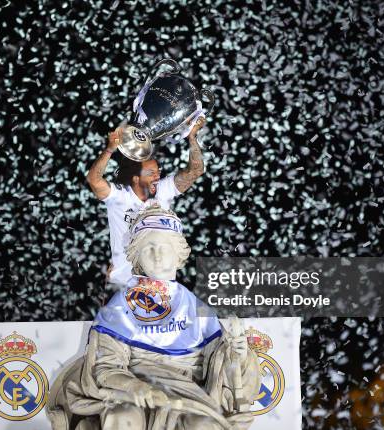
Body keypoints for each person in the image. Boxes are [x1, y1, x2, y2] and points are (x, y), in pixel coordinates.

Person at [46, 205, 261, 430]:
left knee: (201, 426)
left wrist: (238, 355)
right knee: (124, 418)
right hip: (133, 393)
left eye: (164, 248)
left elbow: (222, 367)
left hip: (187, 398)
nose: (157, 256)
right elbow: (104, 368)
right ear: (136, 256)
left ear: (178, 254)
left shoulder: (198, 311)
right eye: (149, 248)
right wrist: (136, 387)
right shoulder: (120, 308)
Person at [86, 117, 207, 287]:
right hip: (124, 284)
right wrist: (109, 149)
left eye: (158, 172)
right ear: (136, 178)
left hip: (160, 282)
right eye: (151, 173)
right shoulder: (119, 197)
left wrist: (192, 137)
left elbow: (196, 170)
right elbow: (93, 180)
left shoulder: (163, 190)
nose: (157, 176)